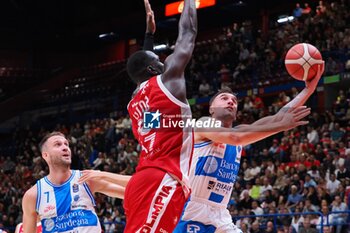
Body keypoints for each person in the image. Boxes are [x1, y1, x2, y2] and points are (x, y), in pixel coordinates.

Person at [173, 60, 324, 232]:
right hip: (191, 209)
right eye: (224, 99)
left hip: (220, 214)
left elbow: (277, 117)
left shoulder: (242, 130)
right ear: (211, 109)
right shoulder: (203, 124)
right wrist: (281, 126)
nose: (231, 102)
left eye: (234, 101)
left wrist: (308, 90)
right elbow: (236, 137)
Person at [123, 0, 197, 230]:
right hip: (164, 177)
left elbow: (143, 68)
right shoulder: (169, 81)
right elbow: (188, 33)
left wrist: (149, 35)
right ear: (153, 69)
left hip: (142, 180)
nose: (165, 61)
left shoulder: (134, 100)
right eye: (159, 60)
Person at [21, 132, 125, 233]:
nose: (65, 147)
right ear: (45, 155)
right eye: (58, 144)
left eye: (66, 144)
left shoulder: (87, 179)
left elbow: (129, 193)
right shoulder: (33, 195)